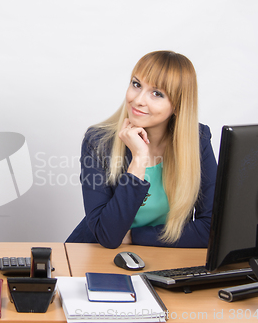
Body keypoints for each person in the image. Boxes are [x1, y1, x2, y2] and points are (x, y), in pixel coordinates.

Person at [66, 50, 217, 249]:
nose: (138, 100)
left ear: (178, 105)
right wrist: (139, 159)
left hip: (160, 257)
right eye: (136, 84)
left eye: (157, 93)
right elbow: (108, 236)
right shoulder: (99, 142)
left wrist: (134, 237)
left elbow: (211, 229)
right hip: (92, 255)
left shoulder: (198, 140)